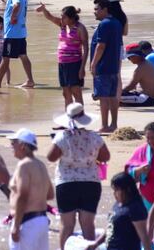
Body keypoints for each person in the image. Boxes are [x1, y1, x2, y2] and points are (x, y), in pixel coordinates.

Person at [47, 103, 109, 249]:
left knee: (66, 224)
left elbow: (51, 157)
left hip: (66, 183)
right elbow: (106, 156)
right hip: (90, 182)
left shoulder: (62, 137)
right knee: (88, 224)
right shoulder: (94, 137)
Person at [7, 128, 53, 250]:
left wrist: (16, 225)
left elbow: (22, 195)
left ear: (22, 146)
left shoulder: (24, 165)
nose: (11, 146)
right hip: (42, 220)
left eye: (13, 143)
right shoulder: (40, 164)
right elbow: (50, 194)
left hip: (27, 221)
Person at [36, 4, 88, 105]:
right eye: (61, 16)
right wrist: (43, 9)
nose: (62, 18)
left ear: (72, 18)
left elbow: (86, 48)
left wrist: (82, 68)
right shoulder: (62, 25)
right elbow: (50, 17)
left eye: (64, 16)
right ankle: (69, 117)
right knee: (65, 92)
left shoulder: (80, 28)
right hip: (62, 63)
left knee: (76, 92)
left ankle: (80, 116)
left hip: (75, 63)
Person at [86, 172, 153, 250]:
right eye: (114, 190)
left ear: (128, 189)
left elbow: (144, 236)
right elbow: (110, 228)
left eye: (117, 190)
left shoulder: (135, 208)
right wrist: (96, 243)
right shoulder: (118, 204)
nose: (114, 193)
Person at [90, 0, 123, 132]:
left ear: (105, 9)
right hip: (113, 65)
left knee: (103, 97)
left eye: (97, 9)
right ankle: (113, 124)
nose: (95, 12)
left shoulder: (104, 24)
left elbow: (101, 46)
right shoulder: (116, 22)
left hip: (103, 66)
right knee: (112, 96)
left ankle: (104, 125)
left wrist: (93, 64)